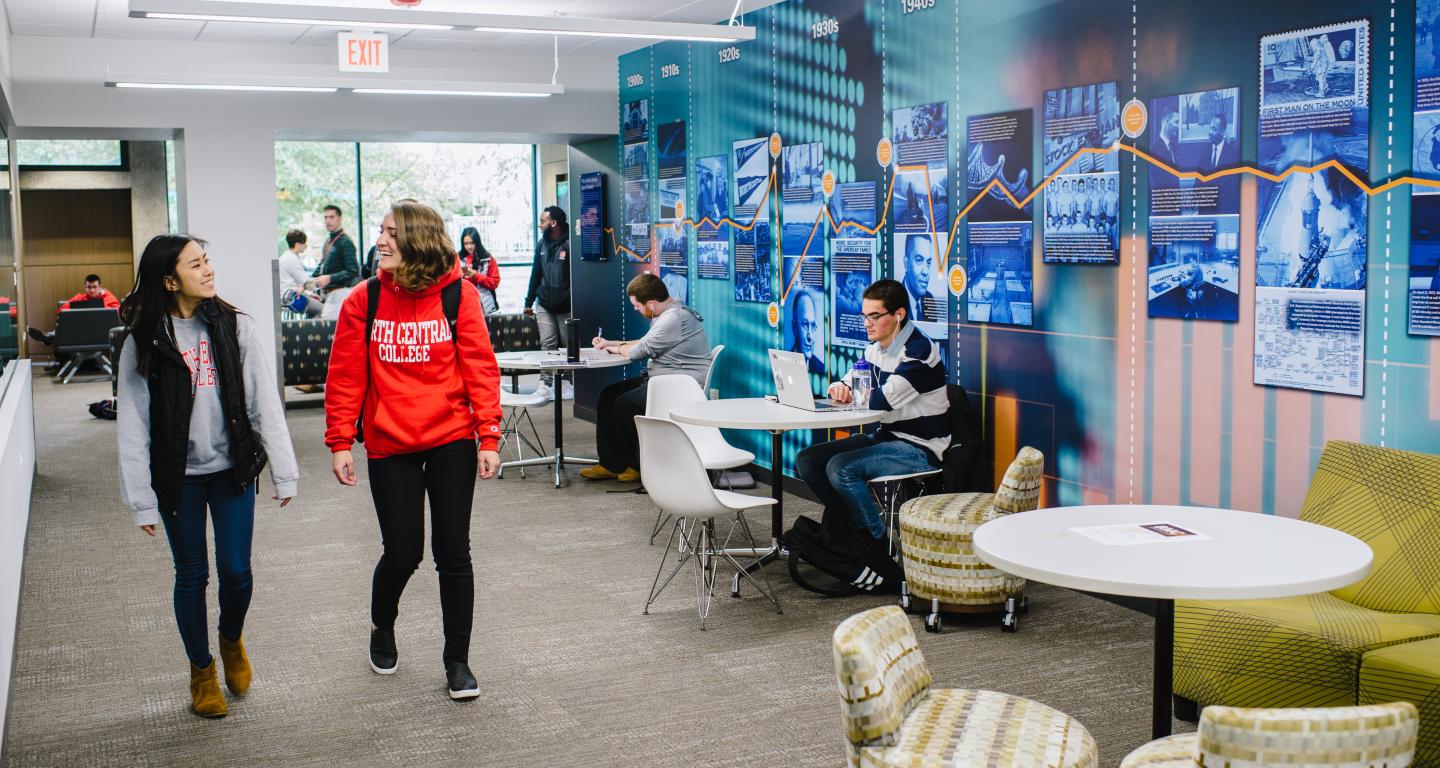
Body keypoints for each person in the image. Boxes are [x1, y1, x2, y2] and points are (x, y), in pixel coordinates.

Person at [324, 199, 502, 701]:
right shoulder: (365, 300)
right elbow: (345, 376)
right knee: (402, 553)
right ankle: (383, 624)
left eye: (389, 233)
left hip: (451, 441)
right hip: (389, 443)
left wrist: (488, 435)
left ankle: (458, 662)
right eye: (380, 232)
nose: (380, 240)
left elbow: (479, 368)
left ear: (417, 241)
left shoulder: (458, 296)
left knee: (454, 553)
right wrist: (340, 440)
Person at [116, 234, 298, 718]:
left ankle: (232, 637)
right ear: (170, 279)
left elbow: (264, 403)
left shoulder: (234, 327)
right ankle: (202, 670)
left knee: (237, 571)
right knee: (192, 575)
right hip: (179, 477)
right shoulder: (143, 341)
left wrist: (285, 471)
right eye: (196, 265)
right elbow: (133, 427)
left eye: (207, 260)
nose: (208, 270)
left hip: (231, 468)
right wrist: (141, 500)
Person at [793, 278, 948, 593]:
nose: (867, 323)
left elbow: (880, 401)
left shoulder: (920, 351)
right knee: (808, 459)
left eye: (874, 316)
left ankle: (876, 546)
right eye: (865, 316)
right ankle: (850, 532)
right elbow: (851, 380)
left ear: (899, 314)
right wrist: (841, 386)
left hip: (920, 447)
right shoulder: (875, 349)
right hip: (888, 437)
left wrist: (854, 392)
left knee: (842, 468)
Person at [581, 273, 710, 482]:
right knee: (608, 396)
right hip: (663, 379)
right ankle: (611, 464)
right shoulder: (667, 313)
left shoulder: (674, 317)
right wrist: (610, 343)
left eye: (637, 306)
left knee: (625, 404)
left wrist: (616, 349)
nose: (635, 309)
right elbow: (644, 341)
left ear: (650, 303)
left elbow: (637, 352)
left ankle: (636, 465)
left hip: (680, 385)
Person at [524, 205, 572, 400]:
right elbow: (536, 273)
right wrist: (529, 301)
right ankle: (545, 384)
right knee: (547, 343)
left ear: (553, 223)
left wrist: (569, 296)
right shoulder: (541, 245)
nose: (539, 225)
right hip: (544, 303)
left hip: (565, 304)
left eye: (542, 221)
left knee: (568, 345)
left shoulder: (570, 244)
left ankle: (567, 383)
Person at [27, 274, 121, 347]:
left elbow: (117, 312)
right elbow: (61, 310)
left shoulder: (109, 297)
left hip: (101, 331)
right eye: (89, 287)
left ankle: (52, 337)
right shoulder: (80, 298)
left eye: (94, 287)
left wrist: (100, 309)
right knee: (68, 319)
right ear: (85, 287)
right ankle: (51, 336)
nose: (92, 290)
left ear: (100, 286)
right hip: (80, 331)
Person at [312, 204, 360, 318]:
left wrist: (330, 278)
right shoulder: (329, 241)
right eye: (325, 217)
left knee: (330, 331)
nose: (328, 220)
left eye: (331, 217)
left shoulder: (345, 242)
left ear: (340, 218)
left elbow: (353, 271)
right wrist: (307, 282)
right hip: (329, 295)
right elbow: (322, 265)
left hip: (340, 294)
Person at [278, 229, 321, 317]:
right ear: (297, 244)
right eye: (304, 243)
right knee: (323, 310)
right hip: (292, 298)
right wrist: (320, 283)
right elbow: (305, 282)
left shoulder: (285, 256)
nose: (305, 246)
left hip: (287, 295)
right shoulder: (292, 259)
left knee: (315, 306)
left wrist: (310, 294)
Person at [459, 226, 500, 314]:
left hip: (484, 306)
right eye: (466, 244)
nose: (469, 246)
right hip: (465, 305)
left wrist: (476, 276)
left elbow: (495, 282)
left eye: (471, 243)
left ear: (477, 242)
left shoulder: (487, 259)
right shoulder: (458, 259)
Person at [901, 234, 938, 324]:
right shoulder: (894, 300)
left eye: (928, 262)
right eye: (919, 260)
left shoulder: (929, 299)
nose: (925, 271)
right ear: (906, 263)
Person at [789, 289, 824, 374]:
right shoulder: (784, 363)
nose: (810, 337)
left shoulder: (821, 368)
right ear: (794, 328)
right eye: (805, 324)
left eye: (813, 325)